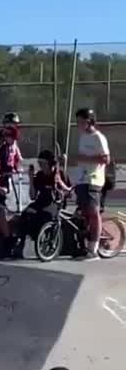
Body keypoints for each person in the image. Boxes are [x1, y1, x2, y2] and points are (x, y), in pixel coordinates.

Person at [70, 108, 111, 260]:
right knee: (84, 213)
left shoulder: (98, 137)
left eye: (81, 121)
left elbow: (105, 159)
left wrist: (85, 159)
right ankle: (89, 243)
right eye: (77, 121)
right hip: (82, 179)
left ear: (89, 122)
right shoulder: (82, 137)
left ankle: (93, 250)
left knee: (94, 213)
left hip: (94, 179)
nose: (78, 124)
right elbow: (81, 158)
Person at [16, 150, 70, 248]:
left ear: (49, 163)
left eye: (43, 163)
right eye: (39, 163)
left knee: (44, 215)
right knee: (26, 214)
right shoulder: (40, 175)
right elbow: (32, 196)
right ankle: (20, 244)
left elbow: (69, 192)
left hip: (54, 203)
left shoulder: (60, 174)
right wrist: (31, 179)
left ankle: (43, 239)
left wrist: (60, 183)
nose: (40, 165)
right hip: (41, 202)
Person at [0, 112, 24, 207]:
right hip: (4, 164)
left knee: (9, 186)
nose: (15, 126)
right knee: (5, 187)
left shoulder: (13, 133)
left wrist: (19, 157)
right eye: (13, 123)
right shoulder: (3, 133)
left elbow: (15, 145)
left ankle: (2, 202)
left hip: (10, 164)